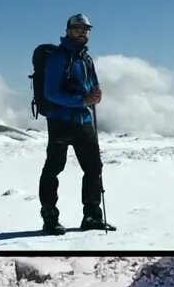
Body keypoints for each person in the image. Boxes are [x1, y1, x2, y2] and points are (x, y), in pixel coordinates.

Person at [38, 13, 117, 234]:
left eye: (86, 29)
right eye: (78, 28)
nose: (83, 32)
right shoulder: (58, 57)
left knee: (94, 168)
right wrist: (82, 100)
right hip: (60, 121)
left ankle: (91, 216)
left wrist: (95, 95)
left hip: (83, 120)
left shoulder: (86, 58)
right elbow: (50, 92)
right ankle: (50, 218)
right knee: (54, 168)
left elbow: (92, 85)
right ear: (68, 30)